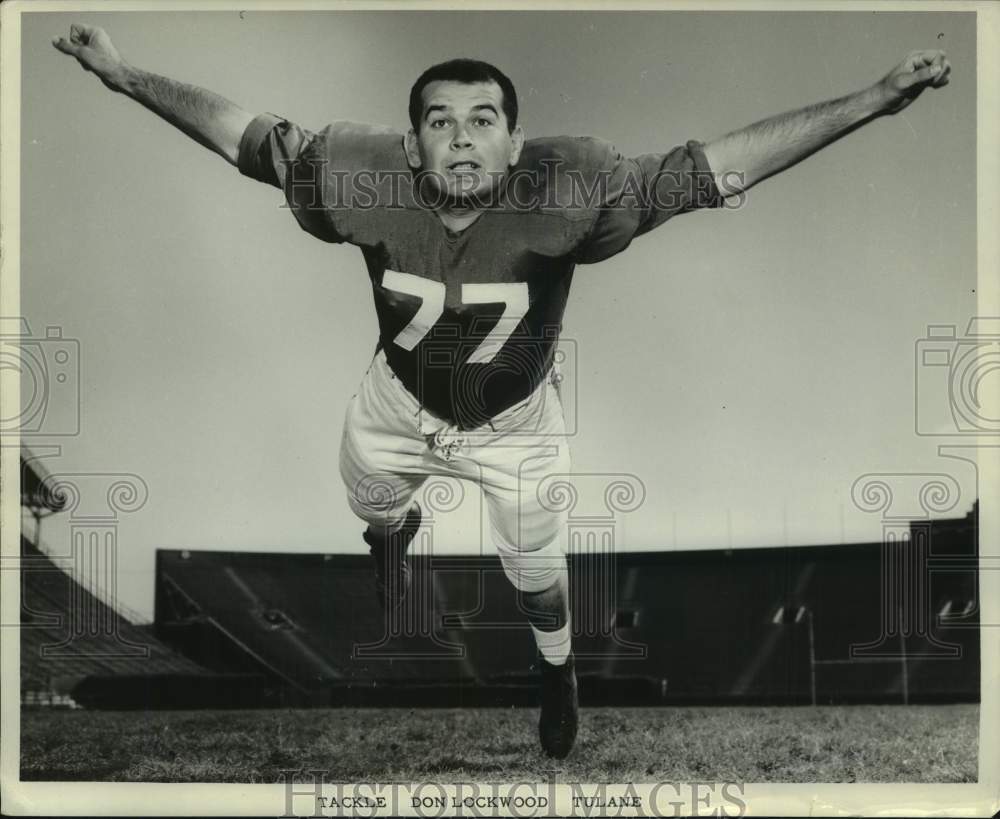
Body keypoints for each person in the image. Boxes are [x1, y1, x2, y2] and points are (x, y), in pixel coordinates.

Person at [53, 23, 950, 759]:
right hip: (397, 404)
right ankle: (390, 533)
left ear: (516, 142)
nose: (463, 137)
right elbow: (240, 135)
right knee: (368, 500)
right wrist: (126, 75)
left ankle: (554, 673)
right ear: (409, 144)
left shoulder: (572, 188)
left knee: (539, 580)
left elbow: (716, 168)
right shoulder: (357, 175)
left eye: (484, 120)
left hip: (516, 423)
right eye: (440, 122)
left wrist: (872, 100)